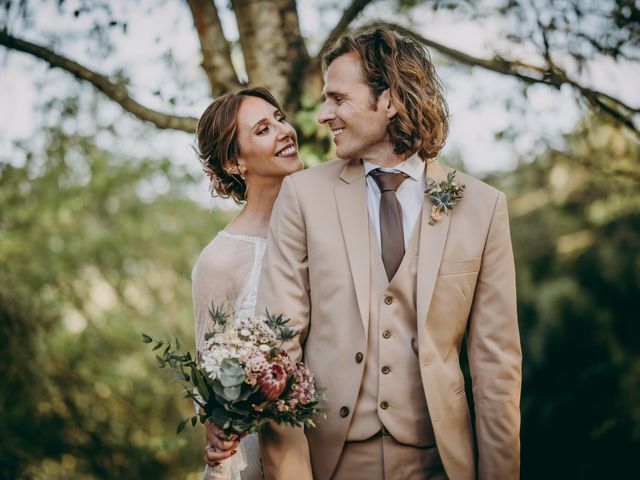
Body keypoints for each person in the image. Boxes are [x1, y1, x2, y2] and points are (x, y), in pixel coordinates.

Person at [254, 27, 522, 479]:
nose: (323, 115)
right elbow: (276, 350)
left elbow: (496, 367)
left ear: (390, 99)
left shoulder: (482, 206)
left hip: (440, 461)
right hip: (331, 462)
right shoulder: (302, 196)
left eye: (339, 99)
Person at [191, 87, 303, 479]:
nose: (284, 130)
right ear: (235, 162)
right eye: (263, 129)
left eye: (280, 118)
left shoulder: (325, 227)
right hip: (264, 453)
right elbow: (211, 375)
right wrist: (218, 427)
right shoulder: (219, 261)